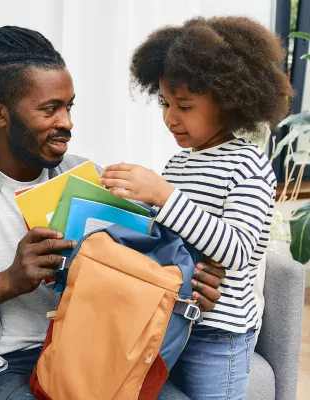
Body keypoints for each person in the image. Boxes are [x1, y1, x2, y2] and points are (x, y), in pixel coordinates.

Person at [0, 26, 225, 400]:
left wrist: (188, 283)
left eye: (69, 106)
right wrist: (9, 281)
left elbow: (143, 268)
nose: (67, 122)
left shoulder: (86, 176)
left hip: (93, 352)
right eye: (50, 109)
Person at [101, 16, 293, 400]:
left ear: (228, 99)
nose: (170, 118)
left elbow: (237, 250)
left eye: (184, 106)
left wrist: (164, 196)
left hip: (218, 336)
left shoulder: (249, 165)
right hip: (172, 321)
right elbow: (173, 237)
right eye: (166, 103)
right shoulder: (179, 164)